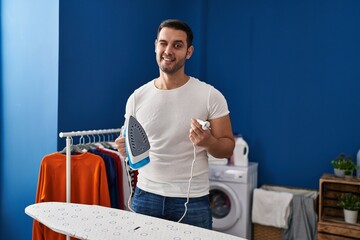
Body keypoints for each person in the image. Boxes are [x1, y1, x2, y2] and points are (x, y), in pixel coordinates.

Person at [115, 19, 235, 230]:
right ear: (155, 46)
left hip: (192, 200)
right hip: (145, 196)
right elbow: (131, 145)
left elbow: (227, 148)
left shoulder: (210, 96)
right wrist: (125, 148)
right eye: (163, 43)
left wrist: (208, 142)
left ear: (189, 52)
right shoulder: (137, 97)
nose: (168, 50)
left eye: (177, 45)